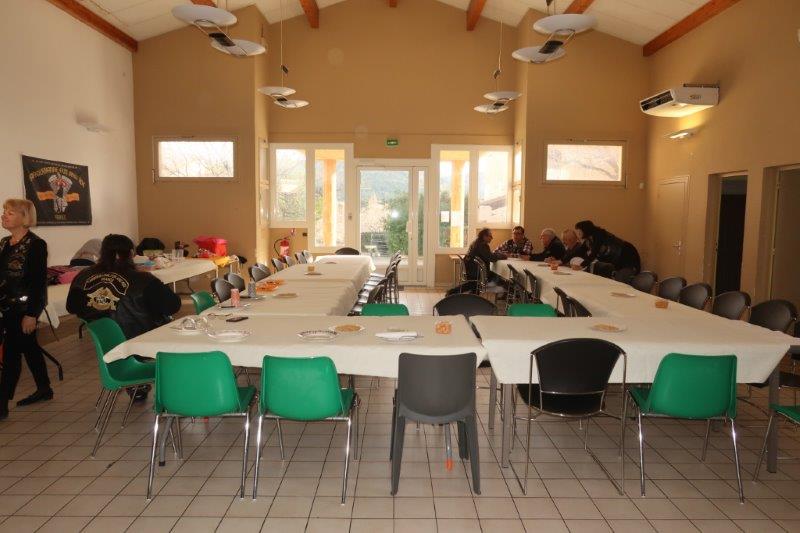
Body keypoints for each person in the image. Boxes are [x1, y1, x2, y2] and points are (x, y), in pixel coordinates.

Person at [67, 234, 182, 340]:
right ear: (131, 253)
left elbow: (72, 307)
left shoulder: (83, 276)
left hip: (105, 342)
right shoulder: (143, 280)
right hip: (143, 339)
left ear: (102, 253)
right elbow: (173, 306)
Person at [0, 199, 52, 419]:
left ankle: (2, 402)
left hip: (23, 308)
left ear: (24, 218)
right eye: (4, 211)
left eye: (10, 213)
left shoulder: (36, 245)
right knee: (29, 347)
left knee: (11, 353)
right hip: (5, 307)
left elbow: (38, 283)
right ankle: (44, 388)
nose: (4, 215)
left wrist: (31, 314)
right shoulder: (4, 243)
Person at [447, 228, 506, 295]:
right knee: (497, 276)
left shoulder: (477, 243)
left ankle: (469, 295)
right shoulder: (482, 245)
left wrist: (498, 255)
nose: (492, 238)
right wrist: (504, 256)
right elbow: (491, 258)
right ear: (484, 236)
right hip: (475, 271)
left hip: (472, 270)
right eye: (490, 236)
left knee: (474, 285)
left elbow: (489, 255)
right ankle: (452, 292)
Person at [574, 220, 641, 273]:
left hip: (626, 254)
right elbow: (580, 251)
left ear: (585, 230)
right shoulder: (589, 240)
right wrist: (567, 260)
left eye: (580, 231)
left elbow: (594, 252)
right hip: (618, 258)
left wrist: (582, 265)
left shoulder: (599, 234)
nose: (578, 234)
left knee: (621, 278)